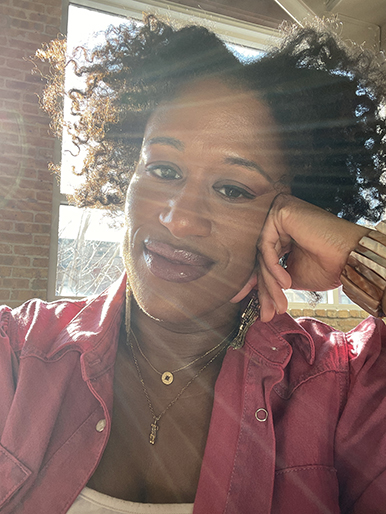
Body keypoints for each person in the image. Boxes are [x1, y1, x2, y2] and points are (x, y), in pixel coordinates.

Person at [1, 14, 386, 514]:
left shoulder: (344, 387)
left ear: (287, 217)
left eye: (232, 189)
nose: (179, 220)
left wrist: (361, 255)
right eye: (163, 169)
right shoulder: (18, 355)